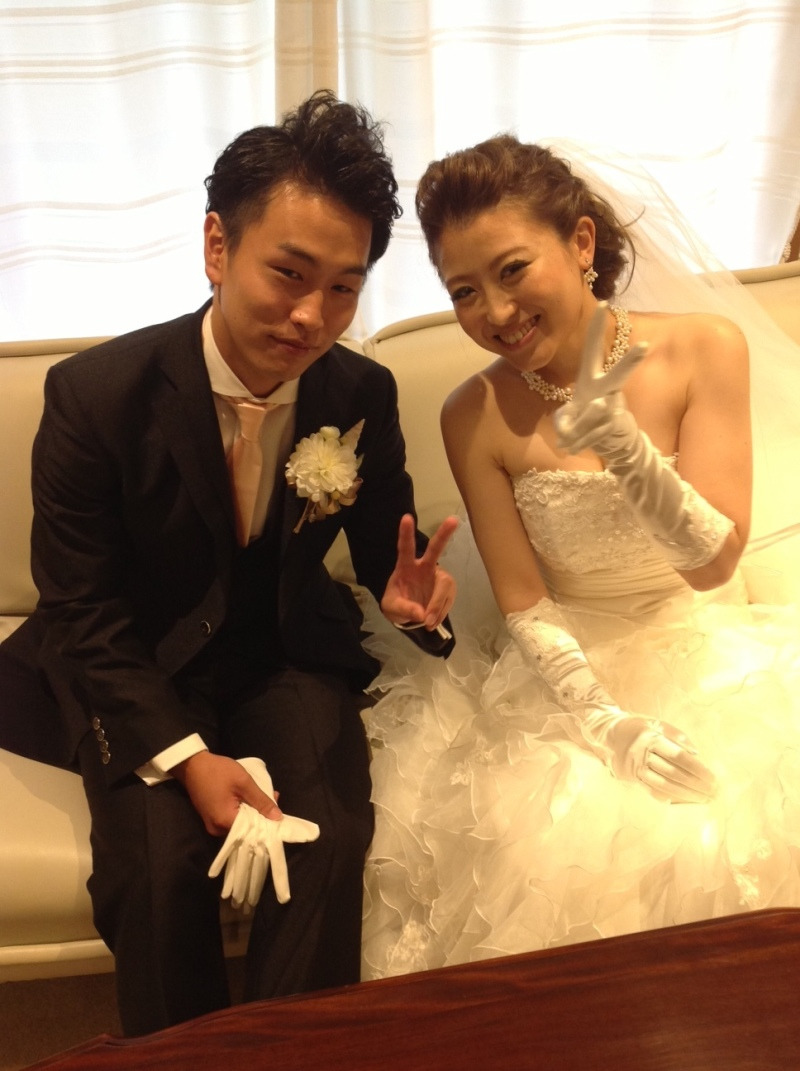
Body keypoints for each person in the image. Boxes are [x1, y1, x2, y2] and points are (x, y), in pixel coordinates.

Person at [0, 90, 458, 1035]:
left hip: (281, 650)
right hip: (132, 656)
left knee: (328, 837)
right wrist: (186, 756)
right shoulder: (95, 395)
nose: (311, 315)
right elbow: (81, 606)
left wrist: (411, 604)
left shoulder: (359, 391)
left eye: (344, 287)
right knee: (159, 866)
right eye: (288, 272)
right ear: (218, 246)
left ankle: (291, 1053)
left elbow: (392, 551)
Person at [359, 135, 800, 979]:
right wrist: (606, 724)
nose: (494, 311)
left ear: (583, 243)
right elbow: (525, 599)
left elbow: (712, 564)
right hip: (568, 669)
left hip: (704, 641)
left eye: (512, 270)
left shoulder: (704, 347)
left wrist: (624, 448)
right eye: (464, 292)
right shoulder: (472, 413)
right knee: (557, 835)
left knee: (724, 835)